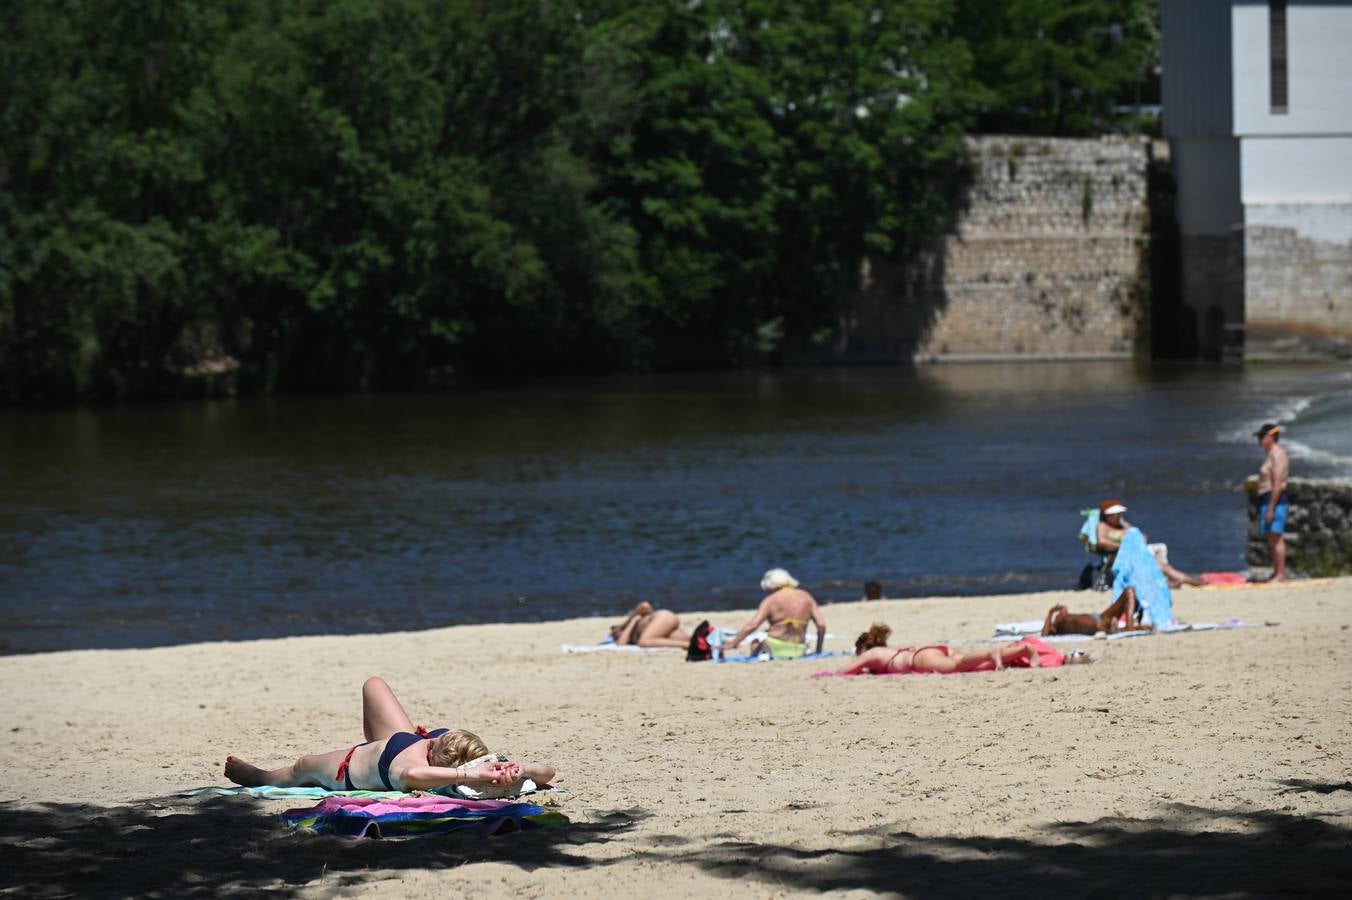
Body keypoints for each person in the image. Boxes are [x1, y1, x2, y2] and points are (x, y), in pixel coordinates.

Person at [224, 676, 556, 794]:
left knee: (302, 767)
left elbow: (413, 772)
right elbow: (548, 773)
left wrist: (467, 773)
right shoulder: (469, 760)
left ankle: (258, 776)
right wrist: (521, 769)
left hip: (353, 767)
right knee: (375, 685)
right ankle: (378, 745)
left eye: (432, 743)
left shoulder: (421, 769)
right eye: (434, 738)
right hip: (394, 744)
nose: (429, 737)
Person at [829, 623, 1057, 675]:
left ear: (863, 648)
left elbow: (847, 671)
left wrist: (828, 674)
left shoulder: (870, 654)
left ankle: (993, 652)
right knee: (971, 665)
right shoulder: (885, 652)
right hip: (931, 650)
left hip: (920, 660)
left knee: (958, 665)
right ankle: (1021, 651)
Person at [1095, 499, 1203, 588]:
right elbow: (1102, 542)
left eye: (1119, 514)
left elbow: (1140, 535)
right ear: (1107, 516)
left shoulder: (1123, 525)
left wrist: (1140, 539)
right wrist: (1123, 546)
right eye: (1115, 514)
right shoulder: (1103, 526)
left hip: (1135, 553)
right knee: (1159, 566)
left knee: (1162, 565)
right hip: (1119, 557)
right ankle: (1185, 580)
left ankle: (1183, 580)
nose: (1118, 516)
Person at [721, 568, 826, 659]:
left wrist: (734, 642)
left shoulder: (771, 600)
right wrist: (819, 649)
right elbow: (821, 625)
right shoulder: (806, 596)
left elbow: (753, 625)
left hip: (774, 647)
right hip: (799, 648)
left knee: (755, 643)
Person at [1254, 422, 1290, 582]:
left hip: (1274, 499)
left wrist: (1271, 507)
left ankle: (1280, 573)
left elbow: (1277, 482)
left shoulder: (1277, 454)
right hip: (1266, 498)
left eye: (1261, 437)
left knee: (1276, 536)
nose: (1259, 440)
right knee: (1271, 537)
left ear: (1271, 437)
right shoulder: (1270, 454)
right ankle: (1276, 571)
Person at [1041, 587, 1152, 636]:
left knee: (1129, 591)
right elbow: (1044, 634)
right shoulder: (1057, 626)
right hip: (1098, 624)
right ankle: (1129, 628)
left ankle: (1129, 625)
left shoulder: (1066, 617)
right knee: (1129, 592)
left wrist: (1062, 611)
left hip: (1100, 617)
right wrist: (1051, 612)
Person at [609, 601, 693, 649]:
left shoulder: (636, 618)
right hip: (665, 628)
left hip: (662, 617)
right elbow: (620, 644)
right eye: (616, 635)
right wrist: (631, 624)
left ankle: (688, 646)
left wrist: (628, 622)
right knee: (687, 639)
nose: (618, 635)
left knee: (644, 642)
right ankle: (691, 644)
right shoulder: (631, 632)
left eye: (616, 632)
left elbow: (645, 605)